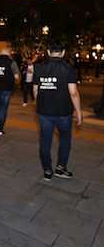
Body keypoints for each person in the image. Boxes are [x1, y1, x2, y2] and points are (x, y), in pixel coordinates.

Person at [33, 38, 83, 181]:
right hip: (63, 112)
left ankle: (47, 170)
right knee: (65, 140)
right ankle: (60, 168)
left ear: (48, 52)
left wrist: (39, 103)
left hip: (44, 112)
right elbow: (73, 93)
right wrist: (79, 113)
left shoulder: (39, 67)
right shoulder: (67, 68)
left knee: (45, 141)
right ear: (63, 53)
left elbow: (35, 90)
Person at [0, 47, 20, 137]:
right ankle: (0, 129)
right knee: (4, 108)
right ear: (9, 54)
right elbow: (17, 76)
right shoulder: (12, 62)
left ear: (0, 53)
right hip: (7, 88)